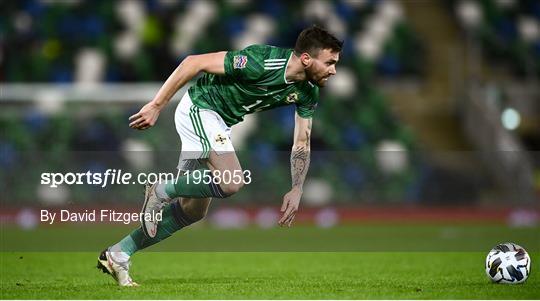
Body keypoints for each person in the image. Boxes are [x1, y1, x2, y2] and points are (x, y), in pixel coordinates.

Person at [97, 25, 342, 286]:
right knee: (231, 180)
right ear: (306, 58)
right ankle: (160, 190)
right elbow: (194, 62)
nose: (333, 70)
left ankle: (118, 254)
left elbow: (302, 141)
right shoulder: (260, 62)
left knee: (192, 211)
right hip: (200, 108)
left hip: (218, 123)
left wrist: (297, 188)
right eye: (329, 62)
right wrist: (157, 105)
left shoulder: (308, 91)